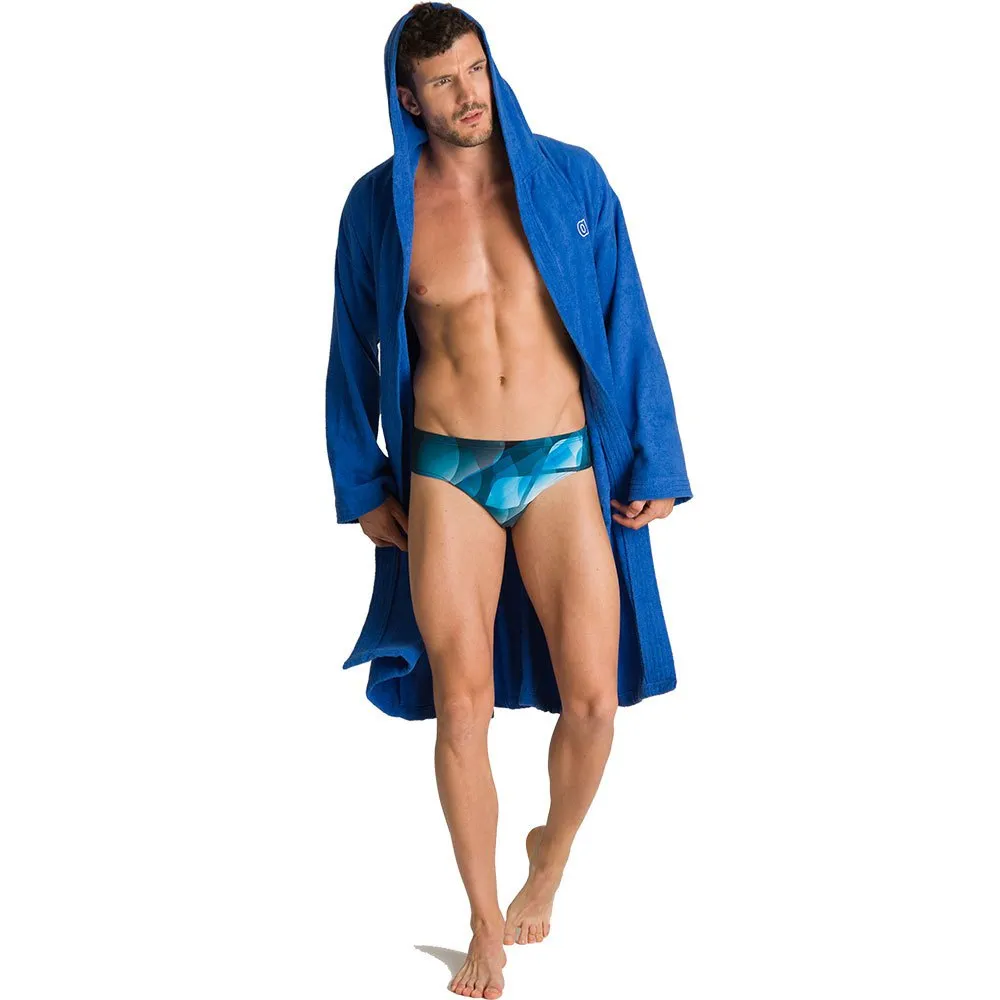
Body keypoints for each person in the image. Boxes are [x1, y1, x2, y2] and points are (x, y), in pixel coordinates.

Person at [325, 4, 693, 996]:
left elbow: (624, 313)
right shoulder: (378, 207)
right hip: (447, 470)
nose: (469, 93)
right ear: (409, 99)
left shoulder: (570, 177)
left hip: (563, 461)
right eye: (444, 81)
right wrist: (361, 483)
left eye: (476, 68)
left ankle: (550, 854)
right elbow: (351, 346)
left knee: (594, 703)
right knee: (463, 705)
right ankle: (484, 923)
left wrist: (653, 458)